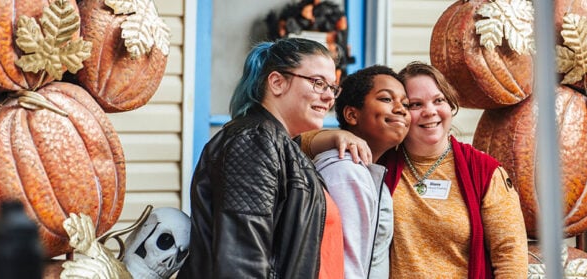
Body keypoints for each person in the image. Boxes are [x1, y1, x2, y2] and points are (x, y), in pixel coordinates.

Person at [301, 61, 528, 278]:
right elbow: (297, 142)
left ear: (450, 105)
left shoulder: (484, 172)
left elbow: (511, 259)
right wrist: (337, 135)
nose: (430, 111)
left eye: (438, 100)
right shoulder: (379, 159)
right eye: (415, 104)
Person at [179, 38, 344, 279]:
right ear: (277, 82)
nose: (329, 97)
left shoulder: (280, 146)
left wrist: (334, 138)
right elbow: (241, 262)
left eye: (333, 87)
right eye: (318, 83)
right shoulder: (253, 142)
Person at [310, 65, 408, 279]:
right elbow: (346, 266)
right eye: (386, 99)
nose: (401, 109)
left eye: (406, 103)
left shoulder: (364, 170)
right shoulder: (347, 170)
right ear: (352, 114)